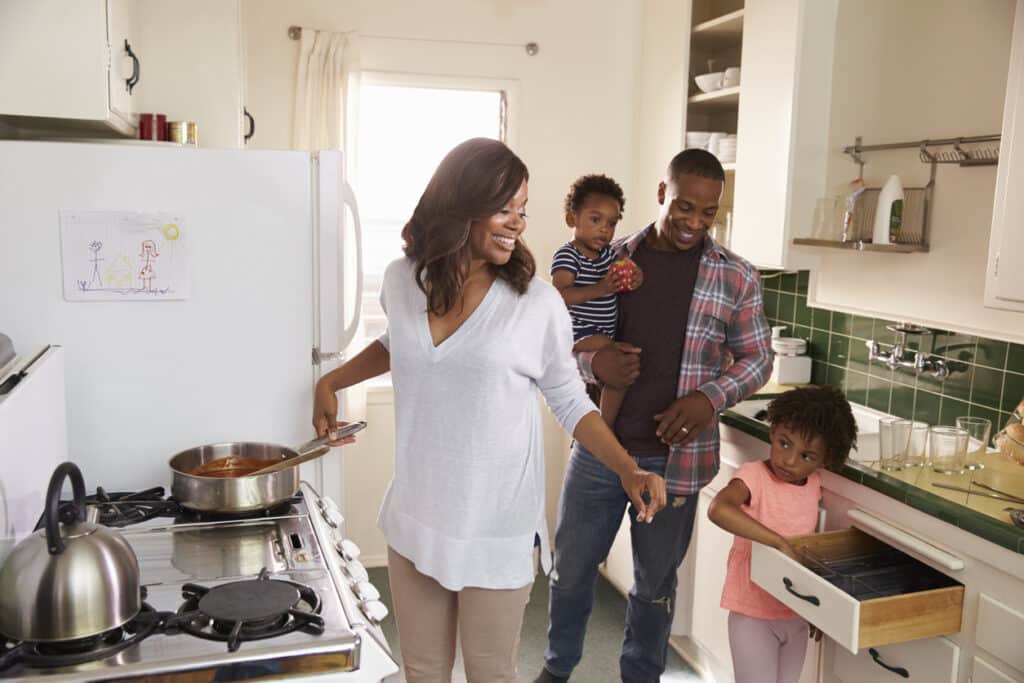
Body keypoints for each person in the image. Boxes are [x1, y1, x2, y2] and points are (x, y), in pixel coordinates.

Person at [311, 138, 667, 683]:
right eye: (505, 209)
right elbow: (397, 345)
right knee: (424, 670)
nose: (518, 223)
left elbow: (570, 399)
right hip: (417, 515)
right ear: (461, 204)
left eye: (523, 210)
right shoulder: (403, 279)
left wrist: (628, 468)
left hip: (497, 525)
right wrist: (333, 380)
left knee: (490, 673)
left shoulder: (536, 304)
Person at [536, 149, 774, 683]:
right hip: (601, 450)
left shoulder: (735, 277)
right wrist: (594, 360)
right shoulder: (610, 259)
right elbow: (559, 343)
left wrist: (708, 397)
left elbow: (759, 359)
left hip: (679, 462)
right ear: (662, 194)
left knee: (655, 586)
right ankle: (556, 669)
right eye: (684, 206)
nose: (694, 222)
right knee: (571, 572)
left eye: (708, 213)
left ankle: (640, 676)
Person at [708, 386, 857, 683]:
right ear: (773, 431)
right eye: (785, 444)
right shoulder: (754, 477)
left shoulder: (815, 485)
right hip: (753, 615)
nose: (790, 461)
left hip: (796, 613)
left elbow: (814, 550)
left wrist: (818, 608)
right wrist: (777, 541)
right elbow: (718, 509)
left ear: (824, 461)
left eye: (807, 455)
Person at [550, 174, 642, 427]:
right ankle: (605, 427)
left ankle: (604, 422)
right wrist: (601, 288)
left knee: (619, 373)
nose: (604, 228)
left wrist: (635, 277)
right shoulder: (568, 255)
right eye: (595, 219)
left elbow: (628, 276)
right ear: (572, 218)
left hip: (602, 330)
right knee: (619, 362)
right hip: (578, 329)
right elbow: (560, 296)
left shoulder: (609, 254)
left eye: (612, 223)